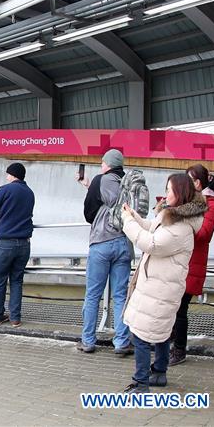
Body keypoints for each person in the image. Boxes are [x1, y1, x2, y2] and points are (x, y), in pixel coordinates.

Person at [121, 173, 206, 393]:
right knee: (160, 332)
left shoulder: (181, 227)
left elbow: (151, 244)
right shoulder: (172, 216)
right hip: (158, 286)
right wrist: (135, 217)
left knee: (140, 335)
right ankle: (158, 372)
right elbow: (152, 227)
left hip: (160, 289)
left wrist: (128, 223)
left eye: (169, 190)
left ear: (180, 193)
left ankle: (141, 383)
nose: (166, 193)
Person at [76, 149, 134, 355]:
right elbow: (114, 203)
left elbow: (89, 212)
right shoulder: (128, 182)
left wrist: (91, 186)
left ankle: (88, 341)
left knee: (93, 295)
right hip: (124, 243)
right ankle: (121, 342)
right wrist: (89, 186)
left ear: (109, 163)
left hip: (101, 242)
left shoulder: (101, 180)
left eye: (102, 162)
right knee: (120, 295)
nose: (101, 166)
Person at [171, 164, 214, 365]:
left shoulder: (211, 202)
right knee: (174, 304)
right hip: (180, 258)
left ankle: (179, 350)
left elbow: (205, 234)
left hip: (194, 261)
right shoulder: (188, 200)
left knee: (181, 307)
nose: (187, 183)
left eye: (191, 179)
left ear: (199, 182)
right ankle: (170, 343)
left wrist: (183, 223)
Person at [0, 162, 34, 328]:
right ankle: (15, 318)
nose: (6, 177)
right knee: (17, 280)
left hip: (5, 244)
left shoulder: (5, 189)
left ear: (13, 175)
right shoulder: (30, 193)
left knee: (0, 280)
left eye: (8, 174)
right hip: (24, 244)